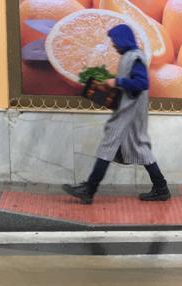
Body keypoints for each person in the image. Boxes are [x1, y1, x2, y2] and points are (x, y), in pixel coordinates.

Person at [63, 24, 170, 205]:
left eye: (115, 42)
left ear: (122, 40)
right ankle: (161, 188)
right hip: (128, 113)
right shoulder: (130, 57)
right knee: (140, 149)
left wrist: (117, 81)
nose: (113, 46)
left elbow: (142, 84)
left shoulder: (135, 57)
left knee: (108, 147)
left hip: (128, 115)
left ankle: (89, 190)